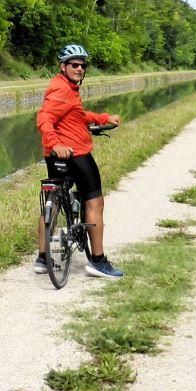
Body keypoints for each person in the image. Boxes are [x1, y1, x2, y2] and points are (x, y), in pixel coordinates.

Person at [33, 43, 124, 278]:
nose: (80, 69)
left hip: (54, 155)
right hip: (75, 153)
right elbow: (44, 118)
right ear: (63, 66)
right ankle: (98, 260)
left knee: (52, 200)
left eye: (83, 66)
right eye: (74, 65)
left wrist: (104, 118)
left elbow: (77, 116)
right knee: (95, 201)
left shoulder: (66, 88)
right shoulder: (62, 90)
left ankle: (43, 259)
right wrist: (57, 143)